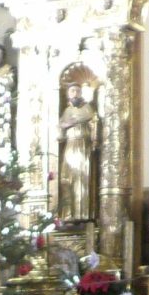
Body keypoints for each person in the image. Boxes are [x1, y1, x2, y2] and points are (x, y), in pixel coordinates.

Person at [58, 83, 97, 221]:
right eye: (72, 91)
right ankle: (69, 214)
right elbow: (60, 130)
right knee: (67, 177)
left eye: (78, 91)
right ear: (68, 94)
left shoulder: (87, 108)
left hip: (83, 146)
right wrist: (65, 125)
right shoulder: (67, 111)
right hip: (70, 146)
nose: (75, 94)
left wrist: (94, 138)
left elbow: (93, 123)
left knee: (83, 176)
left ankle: (84, 214)